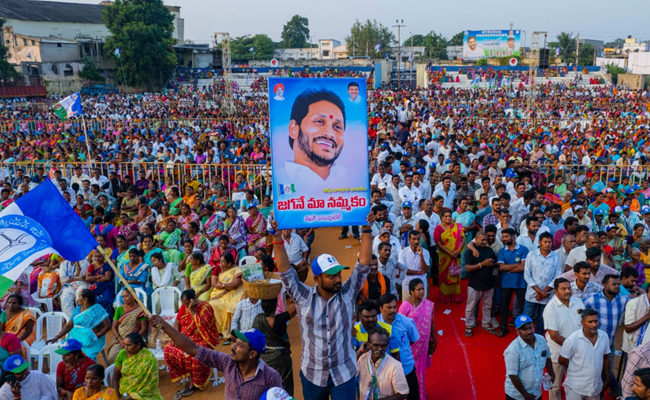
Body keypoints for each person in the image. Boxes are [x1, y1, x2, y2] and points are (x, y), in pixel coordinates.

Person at [272, 212, 374, 400]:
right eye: (331, 276)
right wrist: (277, 237)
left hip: (343, 373)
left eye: (338, 274)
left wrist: (366, 229)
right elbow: (286, 272)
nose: (337, 279)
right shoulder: (303, 297)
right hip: (313, 375)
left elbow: (363, 264)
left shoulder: (347, 292)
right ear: (317, 279)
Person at [151, 312, 282, 400]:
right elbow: (192, 348)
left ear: (252, 354)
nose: (233, 347)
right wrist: (164, 325)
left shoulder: (271, 377)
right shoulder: (227, 362)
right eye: (235, 343)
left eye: (240, 345)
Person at [274, 88, 359, 190]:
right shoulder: (278, 180)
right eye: (319, 121)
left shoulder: (356, 179)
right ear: (293, 129)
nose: (329, 133)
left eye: (337, 127)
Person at [163, 289, 220, 397]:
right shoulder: (184, 307)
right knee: (168, 349)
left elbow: (205, 326)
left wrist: (193, 311)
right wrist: (176, 337)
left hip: (203, 338)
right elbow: (177, 323)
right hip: (185, 336)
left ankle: (196, 382)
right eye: (183, 304)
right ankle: (188, 375)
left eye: (187, 303)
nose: (185, 306)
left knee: (196, 355)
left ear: (193, 300)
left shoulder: (206, 307)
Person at [542, 278, 585, 400]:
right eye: (563, 289)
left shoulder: (578, 302)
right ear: (555, 291)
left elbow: (584, 323)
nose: (567, 291)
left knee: (575, 383)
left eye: (569, 288)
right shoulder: (550, 308)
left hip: (577, 352)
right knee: (555, 386)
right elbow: (554, 335)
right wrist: (574, 347)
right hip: (558, 354)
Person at [558, 308, 611, 400]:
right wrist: (577, 368)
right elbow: (562, 360)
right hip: (575, 388)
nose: (594, 325)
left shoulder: (604, 336)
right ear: (582, 323)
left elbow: (606, 358)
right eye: (590, 322)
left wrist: (607, 379)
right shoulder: (572, 340)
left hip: (595, 387)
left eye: (596, 321)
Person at [398, 279, 436, 400]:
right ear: (411, 291)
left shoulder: (427, 304)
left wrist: (434, 339)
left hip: (423, 345)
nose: (421, 291)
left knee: (421, 372)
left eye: (423, 289)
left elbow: (431, 322)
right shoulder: (405, 306)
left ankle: (420, 395)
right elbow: (400, 326)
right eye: (418, 289)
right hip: (410, 346)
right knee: (409, 372)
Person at [47, 289, 111, 361]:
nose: (77, 299)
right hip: (75, 337)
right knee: (66, 353)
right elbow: (69, 325)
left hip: (92, 340)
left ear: (85, 299)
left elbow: (107, 326)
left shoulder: (98, 309)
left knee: (87, 358)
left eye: (79, 297)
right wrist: (57, 337)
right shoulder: (77, 309)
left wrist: (97, 335)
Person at [378, 293, 420, 400]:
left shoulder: (407, 322)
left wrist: (403, 349)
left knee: (413, 396)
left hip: (406, 368)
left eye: (394, 307)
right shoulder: (374, 323)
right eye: (388, 307)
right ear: (381, 308)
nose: (392, 310)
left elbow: (413, 340)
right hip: (382, 370)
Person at [503, 315, 554, 400]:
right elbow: (513, 375)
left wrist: (552, 374)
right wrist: (526, 395)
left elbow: (547, 357)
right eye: (524, 329)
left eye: (530, 328)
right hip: (518, 396)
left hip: (536, 392)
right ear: (517, 331)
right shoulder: (513, 350)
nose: (529, 331)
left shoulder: (541, 339)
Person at [252, 298, 296, 395]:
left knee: (267, 387)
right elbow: (295, 308)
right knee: (284, 388)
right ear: (276, 305)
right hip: (282, 360)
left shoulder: (258, 319)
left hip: (264, 359)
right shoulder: (281, 319)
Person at [523, 232, 563, 335]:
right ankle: (524, 337)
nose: (547, 244)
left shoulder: (555, 256)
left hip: (547, 295)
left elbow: (557, 276)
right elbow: (527, 274)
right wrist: (538, 291)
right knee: (527, 317)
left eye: (550, 242)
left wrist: (543, 292)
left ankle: (539, 338)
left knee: (543, 318)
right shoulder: (531, 255)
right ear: (540, 242)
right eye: (545, 242)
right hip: (532, 294)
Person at [356, 327, 410, 400]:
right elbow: (349, 374)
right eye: (376, 345)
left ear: (387, 346)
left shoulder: (395, 366)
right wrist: (359, 352)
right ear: (369, 344)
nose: (380, 349)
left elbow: (403, 393)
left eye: (383, 346)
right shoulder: (362, 359)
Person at [112, 332, 163, 400]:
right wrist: (117, 395)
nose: (126, 348)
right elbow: (115, 377)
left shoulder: (149, 358)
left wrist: (132, 397)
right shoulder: (122, 354)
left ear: (138, 345)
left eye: (129, 345)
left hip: (144, 394)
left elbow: (152, 384)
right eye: (125, 345)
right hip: (124, 393)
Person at [209, 252, 245, 344]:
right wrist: (223, 286)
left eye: (223, 262)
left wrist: (223, 285)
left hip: (232, 292)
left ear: (229, 263)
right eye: (220, 261)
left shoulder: (236, 269)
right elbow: (214, 282)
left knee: (229, 305)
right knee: (212, 304)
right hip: (218, 292)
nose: (221, 263)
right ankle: (219, 331)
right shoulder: (217, 268)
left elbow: (236, 284)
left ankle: (229, 332)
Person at [106, 289, 148, 365]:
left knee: (136, 357)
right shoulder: (119, 309)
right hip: (120, 339)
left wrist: (134, 339)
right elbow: (114, 327)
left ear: (133, 296)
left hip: (135, 340)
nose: (124, 299)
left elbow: (143, 328)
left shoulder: (141, 310)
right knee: (113, 356)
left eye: (126, 296)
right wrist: (120, 339)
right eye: (123, 297)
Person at [434, 209, 465, 303]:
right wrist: (450, 253)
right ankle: (445, 296)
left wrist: (458, 251)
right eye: (446, 216)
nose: (448, 218)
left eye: (449, 216)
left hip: (456, 255)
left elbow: (463, 239)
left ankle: (455, 296)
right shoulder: (438, 228)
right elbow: (438, 243)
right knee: (445, 275)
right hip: (445, 257)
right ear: (442, 218)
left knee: (455, 273)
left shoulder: (457, 226)